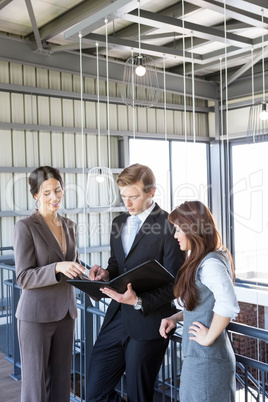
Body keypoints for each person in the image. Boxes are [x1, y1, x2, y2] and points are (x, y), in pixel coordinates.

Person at [86, 163, 184, 402]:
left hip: (149, 322)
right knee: (94, 394)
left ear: (151, 192)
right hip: (117, 317)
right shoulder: (118, 223)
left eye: (133, 196)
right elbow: (117, 265)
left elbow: (176, 283)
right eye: (123, 196)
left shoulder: (170, 226)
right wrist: (105, 274)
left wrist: (139, 301)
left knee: (140, 396)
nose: (127, 203)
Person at [13, 166, 86, 402]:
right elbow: (23, 277)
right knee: (35, 389)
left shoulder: (70, 225)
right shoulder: (25, 227)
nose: (54, 197)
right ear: (35, 195)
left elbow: (72, 263)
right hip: (36, 317)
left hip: (66, 313)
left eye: (58, 190)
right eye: (46, 193)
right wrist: (56, 267)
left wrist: (89, 272)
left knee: (61, 384)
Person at [159, 201, 240, 402]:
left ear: (192, 229)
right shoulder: (205, 259)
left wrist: (208, 337)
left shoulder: (210, 263)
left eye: (178, 230)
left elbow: (228, 305)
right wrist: (176, 318)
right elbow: (205, 304)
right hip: (201, 360)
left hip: (207, 362)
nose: (175, 235)